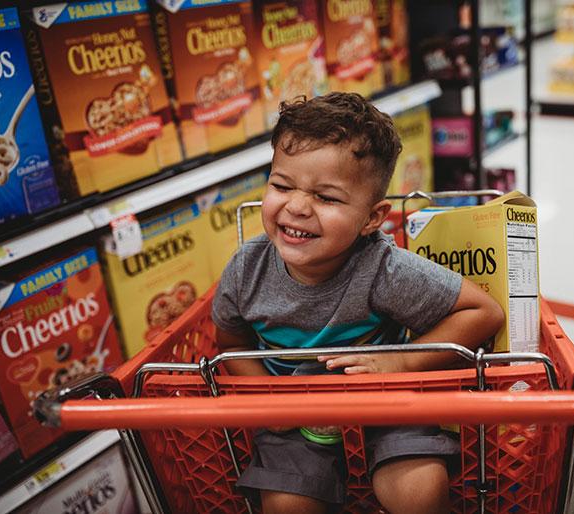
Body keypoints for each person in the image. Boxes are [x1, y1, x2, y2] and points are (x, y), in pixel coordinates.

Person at [212, 92, 504, 514]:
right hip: (293, 413)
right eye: (281, 185)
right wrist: (267, 396)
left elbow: (483, 312)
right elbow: (230, 342)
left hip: (383, 397)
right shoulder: (246, 271)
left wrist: (400, 364)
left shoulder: (384, 269)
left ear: (372, 218)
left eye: (326, 197)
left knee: (421, 493)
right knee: (286, 508)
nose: (296, 206)